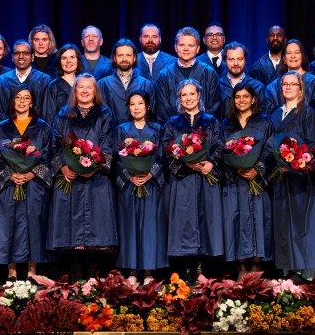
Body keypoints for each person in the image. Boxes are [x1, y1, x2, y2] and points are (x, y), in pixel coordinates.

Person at [48, 74, 118, 281]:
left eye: (89, 88)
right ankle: (75, 274)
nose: (85, 91)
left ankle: (94, 275)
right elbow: (55, 145)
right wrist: (62, 167)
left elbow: (108, 144)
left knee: (97, 226)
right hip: (70, 179)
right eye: (81, 88)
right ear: (75, 91)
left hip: (97, 179)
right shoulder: (63, 115)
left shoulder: (105, 114)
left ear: (95, 91)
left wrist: (94, 167)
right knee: (70, 227)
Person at [268, 70, 315, 279]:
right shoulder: (276, 114)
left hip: (303, 178)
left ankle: (305, 272)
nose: (288, 87)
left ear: (301, 88)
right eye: (285, 84)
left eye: (293, 84)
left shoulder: (307, 113)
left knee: (303, 223)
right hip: (281, 177)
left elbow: (313, 144)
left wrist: (294, 162)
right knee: (284, 223)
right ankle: (287, 269)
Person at [161, 78, 224, 283]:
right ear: (179, 98)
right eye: (184, 95)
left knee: (206, 221)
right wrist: (185, 164)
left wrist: (211, 164)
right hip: (182, 182)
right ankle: (185, 268)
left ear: (199, 96)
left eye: (192, 94)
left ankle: (201, 268)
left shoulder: (211, 121)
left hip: (206, 180)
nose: (188, 98)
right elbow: (167, 151)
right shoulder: (172, 123)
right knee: (183, 223)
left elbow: (218, 146)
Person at [0, 85, 53, 281]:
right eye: (18, 98)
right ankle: (11, 272)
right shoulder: (2, 127)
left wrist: (31, 173)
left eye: (26, 98)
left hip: (33, 185)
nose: (21, 101)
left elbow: (47, 155)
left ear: (32, 102)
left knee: (33, 224)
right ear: (13, 101)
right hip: (9, 185)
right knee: (9, 224)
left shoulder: (42, 127)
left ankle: (31, 272)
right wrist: (10, 174)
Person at [220, 83, 274, 279]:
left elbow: (269, 151)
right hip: (234, 180)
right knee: (235, 219)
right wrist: (237, 166)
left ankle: (257, 265)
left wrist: (256, 169)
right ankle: (241, 266)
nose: (241, 100)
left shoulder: (264, 122)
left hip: (256, 182)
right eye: (237, 97)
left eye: (245, 96)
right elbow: (221, 151)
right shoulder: (227, 125)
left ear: (253, 99)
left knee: (258, 220)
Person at [114, 91, 167, 285]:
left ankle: (149, 270)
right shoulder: (121, 129)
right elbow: (116, 158)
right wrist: (131, 175)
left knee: (150, 227)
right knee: (130, 227)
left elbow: (162, 157)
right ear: (128, 108)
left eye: (140, 103)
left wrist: (150, 174)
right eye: (133, 104)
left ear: (148, 107)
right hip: (130, 186)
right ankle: (133, 270)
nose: (136, 107)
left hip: (150, 185)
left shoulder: (157, 129)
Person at [153, 26, 222, 123]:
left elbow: (215, 107)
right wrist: (179, 128)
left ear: (197, 48)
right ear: (175, 48)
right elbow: (162, 111)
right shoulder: (164, 75)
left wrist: (197, 131)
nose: (186, 49)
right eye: (182, 45)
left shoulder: (210, 73)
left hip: (204, 132)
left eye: (190, 45)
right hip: (174, 133)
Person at [97, 38, 154, 127]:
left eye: (128, 55)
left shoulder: (146, 84)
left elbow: (152, 116)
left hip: (140, 137)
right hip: (110, 136)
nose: (124, 59)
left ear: (134, 58)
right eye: (120, 55)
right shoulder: (102, 84)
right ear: (114, 58)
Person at [0, 39, 51, 123]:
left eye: (26, 53)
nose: (21, 56)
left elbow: (46, 112)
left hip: (36, 132)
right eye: (17, 53)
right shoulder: (1, 81)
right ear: (12, 58)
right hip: (8, 133)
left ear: (32, 57)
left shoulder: (44, 80)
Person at [264, 39, 315, 113]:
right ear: (284, 58)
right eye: (289, 53)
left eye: (297, 53)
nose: (293, 56)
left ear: (302, 57)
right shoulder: (272, 88)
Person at [217, 41, 268, 121]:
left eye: (239, 59)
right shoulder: (217, 86)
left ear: (245, 60)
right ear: (225, 61)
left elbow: (264, 119)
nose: (236, 63)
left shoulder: (258, 87)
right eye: (231, 59)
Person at [41, 43, 84, 123]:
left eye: (72, 57)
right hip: (62, 133)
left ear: (78, 60)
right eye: (64, 58)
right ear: (59, 62)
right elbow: (49, 117)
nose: (68, 61)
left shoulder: (85, 84)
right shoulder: (53, 87)